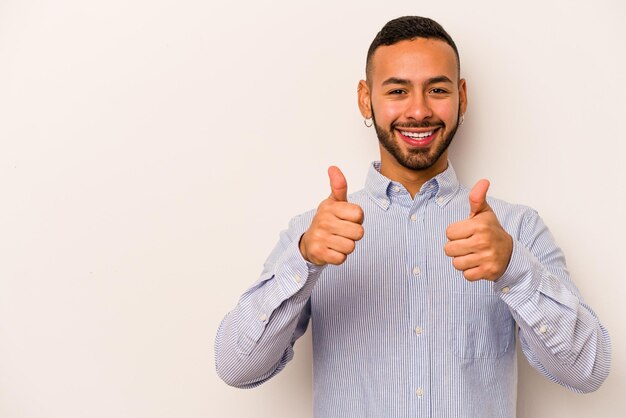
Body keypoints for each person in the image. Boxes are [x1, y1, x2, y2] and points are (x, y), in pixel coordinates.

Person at [214, 16, 611, 417]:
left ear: (462, 97)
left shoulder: (516, 230)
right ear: (366, 99)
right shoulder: (316, 232)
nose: (419, 111)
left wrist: (515, 270)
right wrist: (303, 261)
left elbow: (588, 371)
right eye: (398, 90)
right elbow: (236, 367)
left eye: (437, 90)